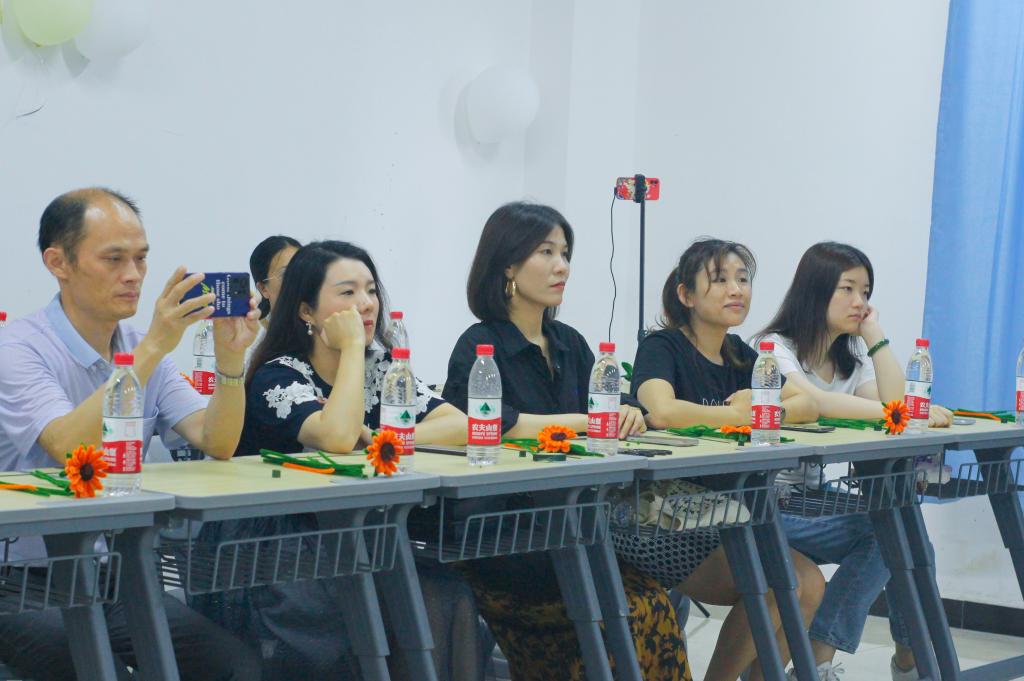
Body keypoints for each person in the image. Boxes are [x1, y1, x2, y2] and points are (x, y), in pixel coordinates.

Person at [0, 187, 261, 680]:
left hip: (112, 575)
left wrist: (230, 361)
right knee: (99, 672)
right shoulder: (17, 349)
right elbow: (71, 448)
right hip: (17, 579)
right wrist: (154, 347)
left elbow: (217, 440)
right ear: (58, 262)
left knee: (232, 666)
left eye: (141, 259)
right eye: (114, 259)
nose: (134, 275)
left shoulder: (144, 349)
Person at [195, 240, 478, 681]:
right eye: (347, 292)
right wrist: (350, 352)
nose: (366, 304)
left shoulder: (379, 366)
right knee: (349, 612)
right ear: (306, 311)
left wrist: (380, 438)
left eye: (371, 290)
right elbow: (339, 438)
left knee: (445, 596)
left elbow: (459, 424)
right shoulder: (278, 374)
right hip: (274, 547)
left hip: (351, 536)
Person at [443, 202, 691, 681]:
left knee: (650, 600)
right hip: (504, 537)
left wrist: (626, 413)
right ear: (508, 266)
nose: (562, 266)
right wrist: (586, 421)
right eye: (546, 252)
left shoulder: (569, 343)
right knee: (625, 610)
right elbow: (491, 424)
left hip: (575, 528)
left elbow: (610, 407)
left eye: (565, 253)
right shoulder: (479, 345)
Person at [756, 241, 952, 681]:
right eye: (847, 289)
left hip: (813, 500)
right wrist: (901, 415)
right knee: (891, 530)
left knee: (903, 528)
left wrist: (874, 336)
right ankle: (853, 659)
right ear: (815, 290)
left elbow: (893, 401)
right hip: (768, 502)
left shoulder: (849, 358)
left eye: (865, 291)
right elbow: (815, 402)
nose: (859, 302)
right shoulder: (773, 348)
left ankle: (894, 661)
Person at [631, 237, 825, 681]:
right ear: (686, 294)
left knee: (810, 583)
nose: (736, 290)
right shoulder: (663, 346)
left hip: (726, 516)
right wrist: (737, 415)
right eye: (720, 280)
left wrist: (764, 410)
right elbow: (661, 411)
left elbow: (807, 404)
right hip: (664, 518)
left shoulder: (739, 353)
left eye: (743, 279)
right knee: (780, 584)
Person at [251, 234, 301, 328]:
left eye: (302, 269)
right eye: (285, 274)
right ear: (263, 289)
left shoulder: (325, 325)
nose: (299, 279)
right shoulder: (255, 334)